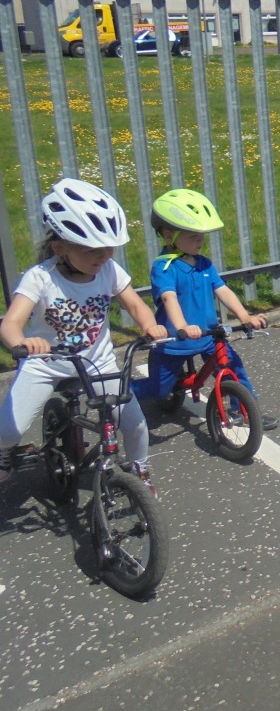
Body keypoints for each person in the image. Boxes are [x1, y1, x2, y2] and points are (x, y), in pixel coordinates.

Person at [0, 178, 168, 494]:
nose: (103, 256)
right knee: (8, 430)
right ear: (59, 248)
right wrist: (21, 343)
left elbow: (135, 304)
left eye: (109, 248)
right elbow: (10, 323)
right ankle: (5, 451)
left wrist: (150, 325)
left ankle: (139, 468)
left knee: (134, 422)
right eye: (92, 250)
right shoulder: (41, 278)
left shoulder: (108, 270)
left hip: (97, 363)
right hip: (45, 363)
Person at [130, 188, 275, 430]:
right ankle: (121, 394)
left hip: (208, 335)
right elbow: (168, 298)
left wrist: (244, 316)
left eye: (202, 235)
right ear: (169, 235)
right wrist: (182, 326)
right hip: (175, 340)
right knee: (158, 388)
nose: (200, 240)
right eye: (193, 236)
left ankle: (242, 412)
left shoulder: (204, 263)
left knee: (234, 368)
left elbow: (222, 290)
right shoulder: (164, 268)